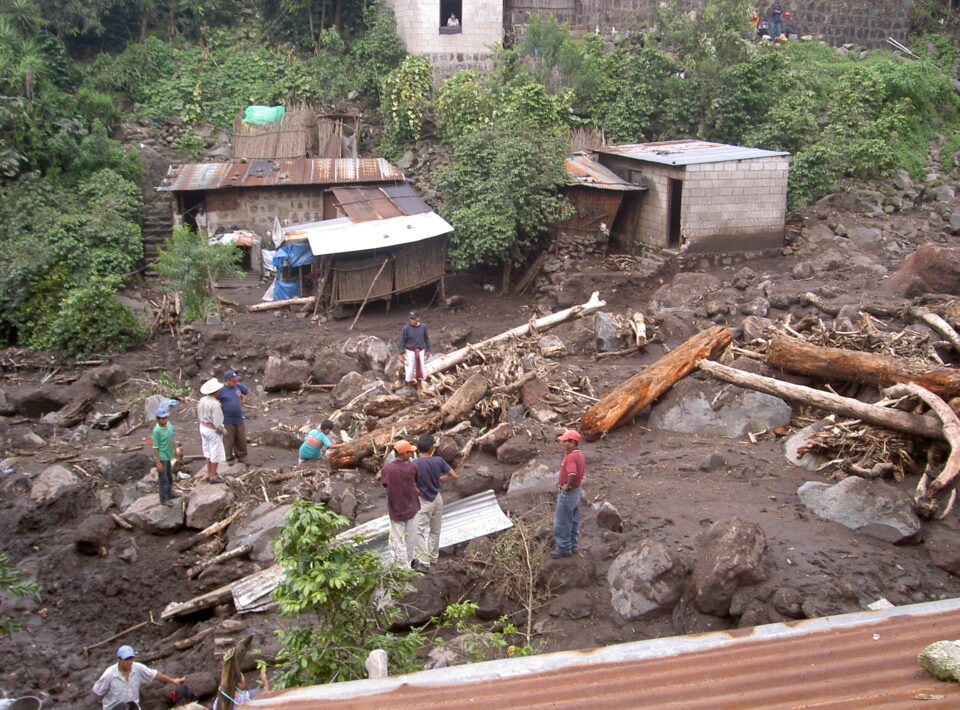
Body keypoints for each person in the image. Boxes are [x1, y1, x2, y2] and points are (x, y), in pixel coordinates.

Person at [412, 434, 459, 572]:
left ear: (418, 448)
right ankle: (433, 557)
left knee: (417, 530)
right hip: (437, 498)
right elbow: (454, 475)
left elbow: (410, 482)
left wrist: (416, 491)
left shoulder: (414, 464)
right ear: (431, 448)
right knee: (435, 529)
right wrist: (440, 480)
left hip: (423, 499)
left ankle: (424, 561)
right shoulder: (438, 460)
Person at [92, 644, 185, 710]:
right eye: (126, 659)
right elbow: (98, 691)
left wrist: (173, 681)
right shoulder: (109, 674)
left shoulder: (137, 668)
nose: (129, 662)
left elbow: (154, 674)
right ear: (119, 659)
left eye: (131, 659)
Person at [381, 440, 420, 566]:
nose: (409, 455)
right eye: (409, 453)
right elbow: (416, 480)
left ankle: (402, 566)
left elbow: (385, 484)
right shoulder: (412, 467)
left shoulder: (387, 469)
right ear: (404, 454)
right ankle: (409, 562)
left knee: (397, 539)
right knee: (411, 538)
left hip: (395, 508)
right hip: (412, 506)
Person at [551, 430, 585, 559]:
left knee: (562, 521)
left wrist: (566, 485)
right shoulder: (579, 454)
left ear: (572, 442)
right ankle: (573, 545)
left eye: (565, 441)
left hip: (569, 492)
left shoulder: (570, 457)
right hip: (576, 490)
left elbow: (572, 473)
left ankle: (564, 548)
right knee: (573, 518)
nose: (563, 443)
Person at [217, 369, 250, 464]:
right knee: (228, 439)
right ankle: (229, 457)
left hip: (239, 417)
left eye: (236, 380)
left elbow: (247, 391)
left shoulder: (238, 386)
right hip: (227, 419)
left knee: (241, 437)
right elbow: (215, 400)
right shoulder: (221, 390)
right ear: (227, 380)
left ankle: (241, 455)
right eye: (233, 381)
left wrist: (244, 399)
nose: (235, 382)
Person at [397, 310, 431, 400]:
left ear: (418, 318)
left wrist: (428, 350)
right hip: (409, 351)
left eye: (414, 318)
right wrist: (401, 353)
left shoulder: (423, 327)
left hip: (420, 351)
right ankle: (410, 390)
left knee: (420, 370)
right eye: (411, 319)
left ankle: (419, 390)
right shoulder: (406, 328)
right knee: (409, 370)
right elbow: (401, 341)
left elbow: (426, 338)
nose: (412, 320)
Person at [198, 377, 226, 484]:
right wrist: (223, 431)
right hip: (211, 429)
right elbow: (217, 423)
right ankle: (213, 476)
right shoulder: (215, 405)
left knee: (207, 451)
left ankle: (209, 473)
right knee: (215, 451)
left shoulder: (202, 400)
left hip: (203, 426)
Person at [152, 407, 181, 507]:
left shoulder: (168, 425)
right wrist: (158, 462)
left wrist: (175, 449)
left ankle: (170, 492)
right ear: (158, 419)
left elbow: (171, 437)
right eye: (162, 419)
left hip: (168, 454)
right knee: (163, 478)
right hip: (162, 456)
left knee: (169, 476)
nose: (164, 420)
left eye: (166, 418)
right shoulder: (156, 431)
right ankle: (164, 498)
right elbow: (155, 447)